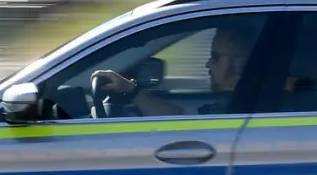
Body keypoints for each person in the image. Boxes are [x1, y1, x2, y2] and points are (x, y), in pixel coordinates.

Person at [92, 22, 256, 117]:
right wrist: (132, 90)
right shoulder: (234, 104)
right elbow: (182, 116)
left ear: (239, 64)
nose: (208, 64)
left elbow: (187, 121)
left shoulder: (246, 108)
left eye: (215, 56)